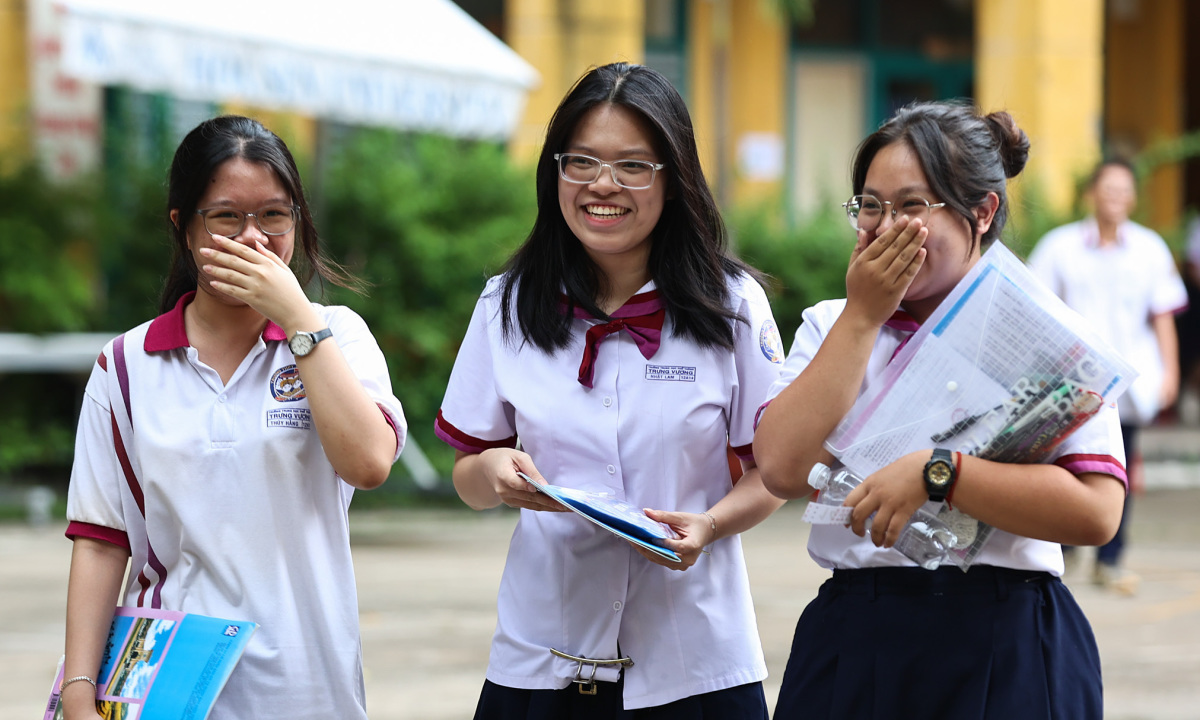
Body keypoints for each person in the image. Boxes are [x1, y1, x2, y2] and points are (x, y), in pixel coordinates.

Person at [754, 101, 1127, 719]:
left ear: (981, 211)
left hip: (1008, 638)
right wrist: (864, 316)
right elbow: (782, 469)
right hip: (859, 631)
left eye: (910, 206)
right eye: (870, 205)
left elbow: (1095, 513)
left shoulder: (1045, 335)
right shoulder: (831, 326)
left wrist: (942, 473)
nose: (884, 226)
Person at [435, 62, 786, 719]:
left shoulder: (733, 307)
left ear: (674, 180)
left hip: (696, 667)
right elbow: (466, 475)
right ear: (555, 172)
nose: (603, 185)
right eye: (582, 162)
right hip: (540, 663)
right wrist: (491, 472)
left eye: (633, 166)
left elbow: (774, 472)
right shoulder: (505, 306)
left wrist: (708, 526)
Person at [60, 116, 406, 720]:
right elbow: (101, 539)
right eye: (226, 216)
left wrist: (299, 321)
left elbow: (370, 462)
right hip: (164, 689)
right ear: (183, 227)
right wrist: (79, 691)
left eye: (275, 215)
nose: (255, 239)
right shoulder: (125, 366)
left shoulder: (338, 337)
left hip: (310, 688)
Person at [1028, 159, 1188, 593]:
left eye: (1123, 189)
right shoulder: (1058, 247)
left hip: (1129, 385)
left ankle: (1110, 559)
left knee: (1118, 469)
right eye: (1107, 188)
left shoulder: (1150, 249)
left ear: (1133, 197)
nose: (1115, 197)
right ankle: (1061, 549)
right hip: (1071, 383)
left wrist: (1171, 372)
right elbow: (1036, 311)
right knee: (1062, 466)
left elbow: (1162, 318)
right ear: (1091, 194)